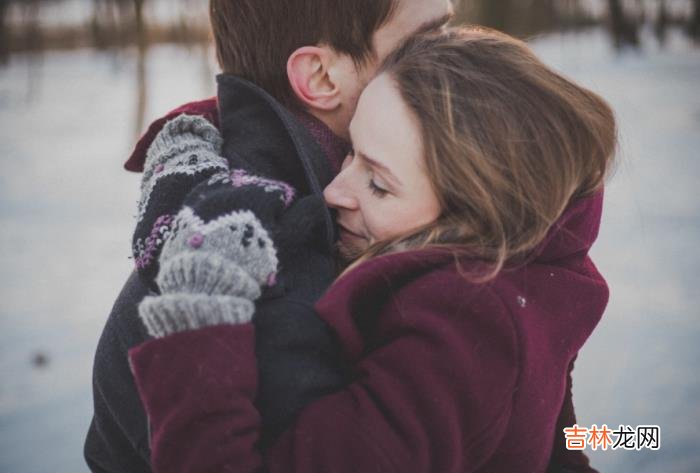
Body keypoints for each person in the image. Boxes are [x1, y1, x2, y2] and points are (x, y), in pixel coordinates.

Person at [127, 26, 617, 472]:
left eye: (379, 184)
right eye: (351, 151)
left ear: (474, 214)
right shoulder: (530, 273)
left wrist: (198, 317)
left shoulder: (459, 336)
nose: (335, 192)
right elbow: (558, 445)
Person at [84, 1, 454, 471]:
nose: (456, 57)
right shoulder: (273, 288)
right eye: (426, 41)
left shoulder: (365, 207)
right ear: (320, 77)